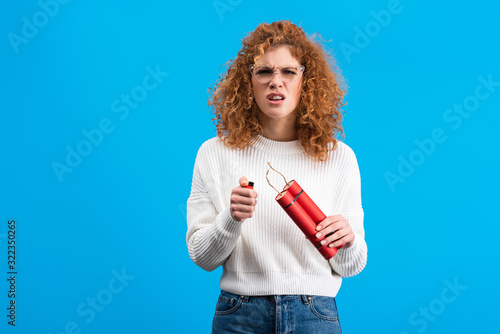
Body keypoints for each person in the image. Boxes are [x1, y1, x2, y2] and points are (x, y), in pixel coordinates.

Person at [186, 20, 367, 334]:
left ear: (306, 81)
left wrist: (348, 240)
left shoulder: (339, 157)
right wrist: (231, 217)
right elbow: (202, 257)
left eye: (288, 71)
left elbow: (350, 266)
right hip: (240, 314)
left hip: (315, 314)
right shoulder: (214, 153)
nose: (276, 82)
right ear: (248, 81)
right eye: (264, 71)